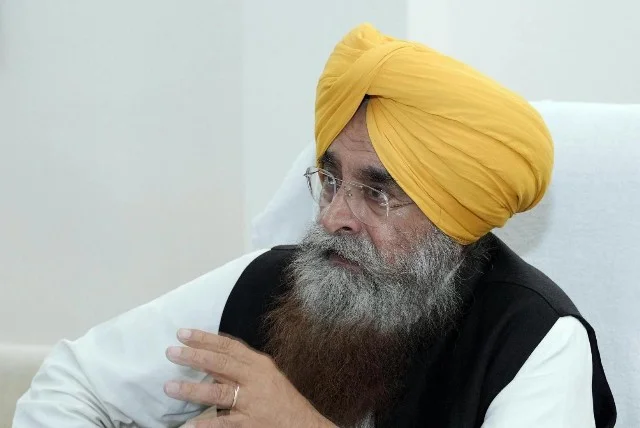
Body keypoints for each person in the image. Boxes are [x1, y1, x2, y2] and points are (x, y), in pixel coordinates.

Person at [13, 23, 616, 428]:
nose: (332, 217)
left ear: (454, 218)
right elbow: (72, 384)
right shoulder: (278, 281)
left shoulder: (533, 342)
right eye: (330, 179)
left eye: (378, 192)